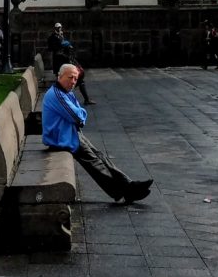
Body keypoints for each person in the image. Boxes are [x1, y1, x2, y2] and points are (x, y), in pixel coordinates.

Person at [42, 63, 152, 203]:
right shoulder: (57, 94)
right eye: (71, 78)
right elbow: (77, 116)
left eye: (76, 79)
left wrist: (80, 115)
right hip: (60, 139)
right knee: (94, 161)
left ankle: (129, 185)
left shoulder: (65, 92)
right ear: (60, 76)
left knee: (100, 156)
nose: (73, 82)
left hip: (70, 132)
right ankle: (123, 191)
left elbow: (79, 113)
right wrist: (80, 115)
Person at [47, 23, 95, 104]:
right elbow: (52, 48)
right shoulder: (52, 38)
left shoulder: (60, 36)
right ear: (55, 28)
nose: (60, 29)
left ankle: (86, 99)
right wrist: (61, 45)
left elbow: (65, 47)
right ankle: (62, 99)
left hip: (65, 61)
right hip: (59, 63)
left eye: (60, 28)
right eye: (58, 28)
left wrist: (64, 42)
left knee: (79, 80)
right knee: (66, 82)